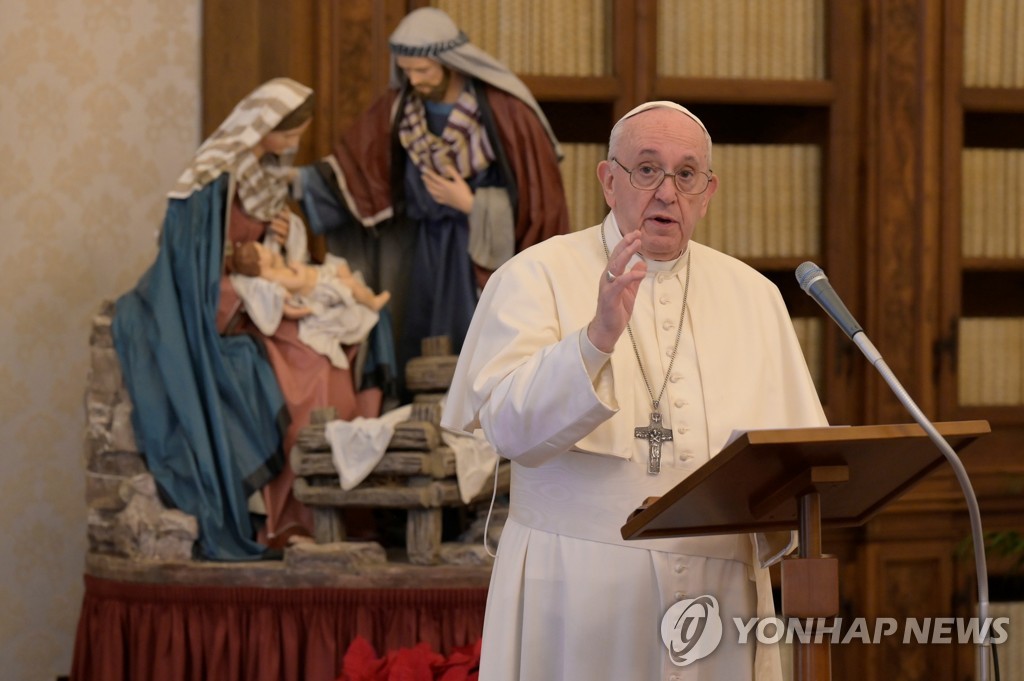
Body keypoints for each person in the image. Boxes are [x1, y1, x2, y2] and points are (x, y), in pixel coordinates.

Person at [441, 101, 829, 680]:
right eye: (647, 169)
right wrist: (595, 340)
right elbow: (507, 430)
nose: (667, 192)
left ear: (708, 191)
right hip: (575, 592)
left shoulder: (755, 297)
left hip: (720, 596)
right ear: (608, 180)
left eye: (686, 174)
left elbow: (795, 461)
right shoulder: (533, 275)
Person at [114, 78, 373, 558]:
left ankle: (332, 509)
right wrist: (242, 272)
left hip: (261, 293)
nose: (295, 144)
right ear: (265, 126)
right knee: (305, 371)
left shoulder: (265, 172)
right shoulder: (213, 178)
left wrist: (282, 234)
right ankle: (281, 518)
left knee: (342, 344)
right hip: (215, 302)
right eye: (290, 133)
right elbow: (195, 263)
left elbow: (269, 248)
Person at [298, 7, 569, 401]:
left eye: (424, 71)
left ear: (451, 64)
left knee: (474, 336)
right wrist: (300, 183)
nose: (415, 80)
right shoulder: (402, 108)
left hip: (478, 252)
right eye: (407, 71)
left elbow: (537, 199)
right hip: (424, 246)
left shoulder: (503, 111)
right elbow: (357, 168)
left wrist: (472, 204)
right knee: (419, 330)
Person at [229, 238, 389, 370]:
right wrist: (300, 271)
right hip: (320, 289)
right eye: (262, 250)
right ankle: (372, 302)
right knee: (350, 284)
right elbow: (298, 282)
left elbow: (285, 267)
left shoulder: (272, 271)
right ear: (260, 260)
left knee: (341, 267)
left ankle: (359, 294)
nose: (267, 250)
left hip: (320, 277)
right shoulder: (272, 276)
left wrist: (280, 260)